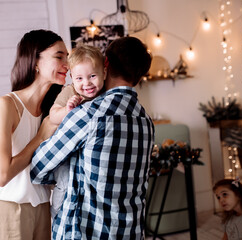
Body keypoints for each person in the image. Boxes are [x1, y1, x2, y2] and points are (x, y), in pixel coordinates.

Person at [30, 36, 154, 239]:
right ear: (140, 77)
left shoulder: (89, 113)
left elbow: (38, 166)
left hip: (86, 232)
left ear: (105, 64)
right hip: (131, 231)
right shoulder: (146, 121)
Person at [0, 29, 68, 240]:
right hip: (9, 213)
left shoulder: (53, 111)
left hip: (43, 211)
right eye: (59, 56)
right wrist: (40, 137)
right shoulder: (6, 105)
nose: (68, 64)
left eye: (68, 57)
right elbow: (1, 176)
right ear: (35, 61)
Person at [48, 44, 106, 218]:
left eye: (92, 76)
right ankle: (57, 215)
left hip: (89, 153)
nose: (86, 83)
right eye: (79, 78)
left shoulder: (106, 94)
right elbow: (52, 115)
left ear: (104, 73)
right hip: (67, 153)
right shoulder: (70, 91)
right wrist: (67, 109)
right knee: (65, 182)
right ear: (71, 77)